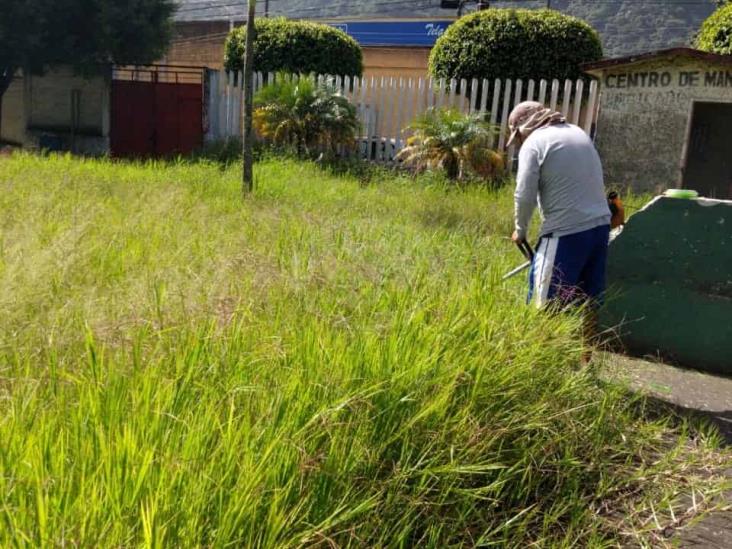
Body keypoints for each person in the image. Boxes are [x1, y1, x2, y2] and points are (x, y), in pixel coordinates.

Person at [507, 101, 611, 315]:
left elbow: (524, 194)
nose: (519, 141)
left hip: (566, 234)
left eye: (517, 137)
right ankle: (586, 349)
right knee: (587, 305)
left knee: (544, 309)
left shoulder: (534, 142)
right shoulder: (577, 132)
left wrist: (521, 230)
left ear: (522, 128)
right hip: (600, 230)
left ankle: (542, 347)